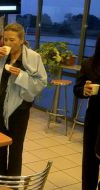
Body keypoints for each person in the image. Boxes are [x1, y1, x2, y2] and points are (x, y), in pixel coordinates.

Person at [0, 23, 47, 177]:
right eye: (5, 39)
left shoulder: (33, 57)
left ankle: (13, 184)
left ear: (21, 40)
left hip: (19, 109)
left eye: (12, 40)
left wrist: (21, 75)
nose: (8, 43)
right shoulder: (0, 53)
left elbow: (41, 82)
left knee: (16, 148)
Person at [73, 35, 100, 190]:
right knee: (89, 161)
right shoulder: (89, 64)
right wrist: (84, 90)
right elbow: (77, 90)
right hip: (94, 118)